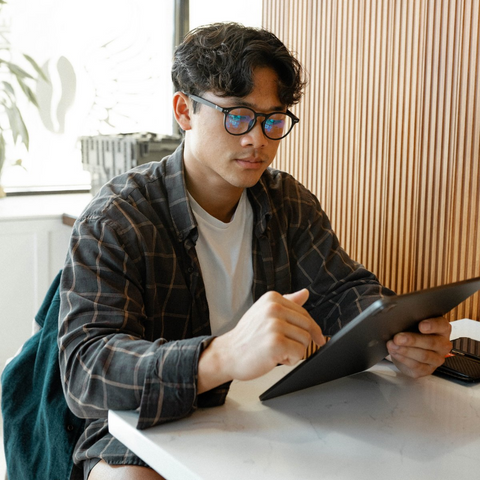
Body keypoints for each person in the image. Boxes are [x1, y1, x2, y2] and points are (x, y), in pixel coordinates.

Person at [58, 22, 452, 480]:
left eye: (274, 119)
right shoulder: (116, 218)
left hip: (267, 409)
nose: (258, 140)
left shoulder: (289, 202)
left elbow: (344, 292)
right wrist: (222, 357)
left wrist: (399, 336)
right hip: (145, 426)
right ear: (184, 111)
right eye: (238, 116)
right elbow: (87, 371)